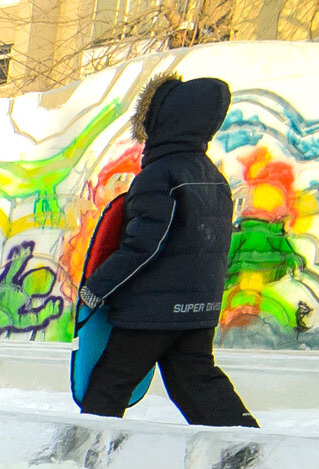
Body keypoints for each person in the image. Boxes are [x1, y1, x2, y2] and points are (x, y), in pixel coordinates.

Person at [76, 75, 258, 428]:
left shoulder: (159, 176)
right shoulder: (214, 178)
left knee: (109, 383)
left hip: (152, 312)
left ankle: (77, 463)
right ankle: (243, 455)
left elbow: (143, 245)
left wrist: (95, 289)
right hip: (198, 310)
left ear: (166, 120)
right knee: (196, 384)